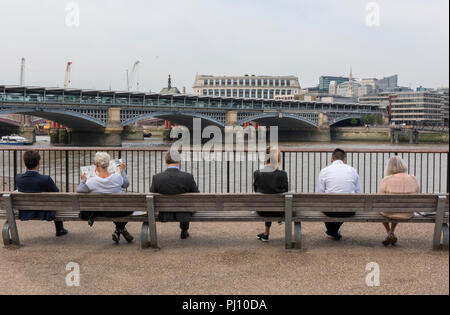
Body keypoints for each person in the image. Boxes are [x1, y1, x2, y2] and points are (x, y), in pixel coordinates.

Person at [76, 152, 133, 244]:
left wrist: (83, 180)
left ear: (96, 164)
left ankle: (119, 230)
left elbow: (79, 190)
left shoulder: (92, 181)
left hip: (100, 211)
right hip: (119, 211)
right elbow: (126, 184)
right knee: (128, 207)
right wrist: (122, 170)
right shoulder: (117, 177)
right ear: (108, 164)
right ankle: (119, 229)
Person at [15, 150, 68, 237]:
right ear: (39, 162)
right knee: (55, 200)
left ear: (25, 163)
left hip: (25, 211)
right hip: (44, 212)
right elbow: (57, 193)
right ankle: (60, 229)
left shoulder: (18, 178)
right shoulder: (45, 179)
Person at [150, 150, 199, 239]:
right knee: (186, 204)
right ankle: (184, 230)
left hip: (164, 212)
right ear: (178, 161)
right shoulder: (188, 177)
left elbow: (151, 194)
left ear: (165, 162)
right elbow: (196, 195)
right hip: (184, 212)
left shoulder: (157, 178)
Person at [316, 148, 361, 240]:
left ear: (331, 159)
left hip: (329, 211)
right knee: (344, 206)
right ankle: (333, 231)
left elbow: (319, 193)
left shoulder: (324, 171)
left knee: (325, 204)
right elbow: (358, 193)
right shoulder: (352, 170)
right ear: (345, 160)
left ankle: (332, 230)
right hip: (348, 211)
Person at [379, 156, 419, 246]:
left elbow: (380, 200)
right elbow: (417, 195)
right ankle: (392, 232)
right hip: (407, 212)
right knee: (398, 206)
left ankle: (389, 232)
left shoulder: (386, 180)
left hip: (390, 212)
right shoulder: (413, 179)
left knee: (382, 208)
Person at [254, 147, 289, 242]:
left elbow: (256, 190)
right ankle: (267, 233)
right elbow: (286, 191)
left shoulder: (257, 173)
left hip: (262, 210)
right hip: (279, 210)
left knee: (267, 198)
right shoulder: (283, 174)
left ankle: (266, 234)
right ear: (278, 158)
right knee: (272, 198)